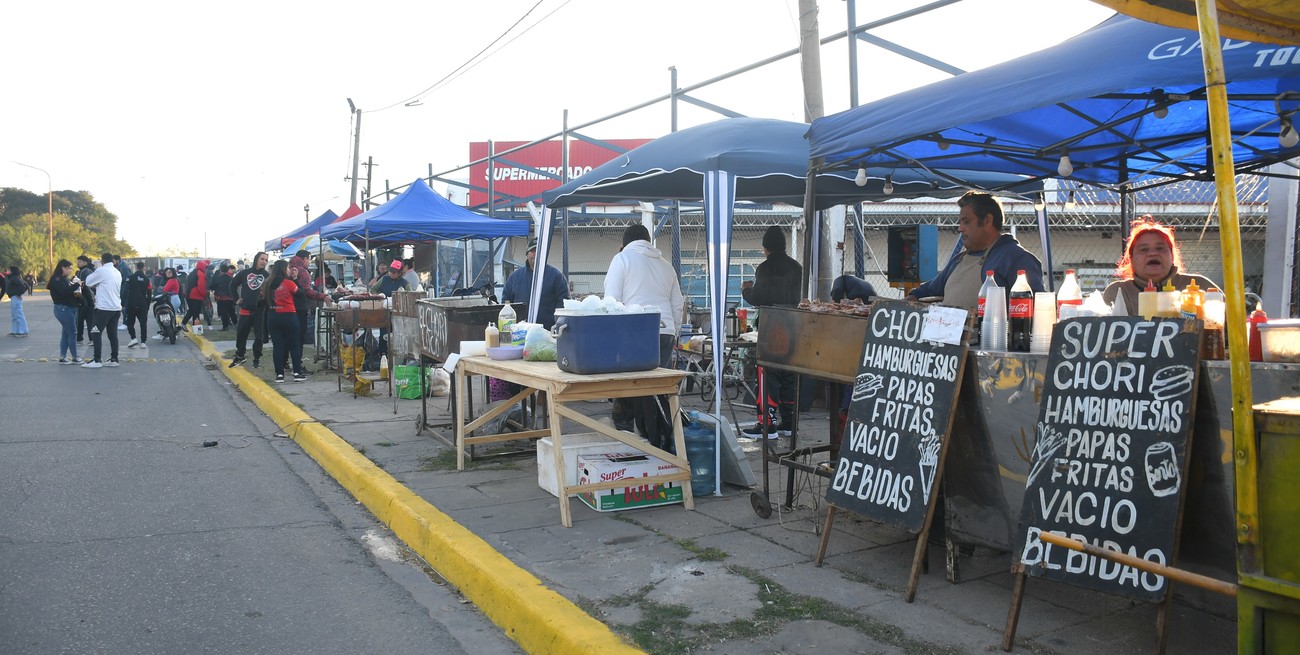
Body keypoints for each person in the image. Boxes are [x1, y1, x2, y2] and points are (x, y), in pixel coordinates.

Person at [605, 224, 686, 450]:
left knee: (628, 385)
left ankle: (626, 441)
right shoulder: (666, 265)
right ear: (648, 241)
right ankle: (663, 442)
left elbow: (611, 302)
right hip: (665, 332)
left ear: (626, 242)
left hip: (634, 332)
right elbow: (677, 304)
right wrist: (674, 330)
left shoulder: (622, 260)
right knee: (658, 389)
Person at [908, 191, 1045, 307]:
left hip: (990, 338)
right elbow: (931, 289)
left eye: (966, 221)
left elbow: (1036, 311)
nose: (960, 228)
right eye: (960, 222)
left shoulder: (1017, 259)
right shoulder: (958, 260)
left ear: (987, 221)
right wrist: (912, 297)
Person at [740, 226, 803, 438]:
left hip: (772, 327)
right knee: (788, 375)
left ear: (766, 248)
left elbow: (759, 298)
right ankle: (789, 422)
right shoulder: (797, 267)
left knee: (768, 374)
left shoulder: (765, 268)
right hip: (794, 325)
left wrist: (746, 290)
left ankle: (767, 424)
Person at [1102, 216, 1218, 313]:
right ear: (1131, 259)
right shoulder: (1118, 292)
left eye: (1160, 248)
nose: (1152, 253)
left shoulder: (1202, 286)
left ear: (1172, 256)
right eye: (1144, 249)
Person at [501, 240, 569, 329]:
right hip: (520, 333)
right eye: (533, 251)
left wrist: (555, 323)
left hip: (547, 332)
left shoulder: (556, 276)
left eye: (539, 250)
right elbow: (506, 302)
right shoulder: (514, 277)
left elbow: (564, 302)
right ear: (527, 253)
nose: (536, 253)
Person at [263, 259, 307, 383]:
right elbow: (301, 294)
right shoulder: (289, 283)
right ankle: (297, 372)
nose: (289, 270)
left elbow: (261, 300)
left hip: (273, 316)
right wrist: (295, 279)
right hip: (289, 316)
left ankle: (279, 374)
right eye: (287, 268)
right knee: (294, 345)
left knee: (277, 346)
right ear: (283, 269)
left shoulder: (267, 283)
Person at [229, 252, 269, 368]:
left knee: (259, 337)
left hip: (260, 312)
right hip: (245, 310)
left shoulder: (266, 275)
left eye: (266, 260)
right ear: (257, 259)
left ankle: (256, 358)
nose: (264, 261)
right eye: (262, 259)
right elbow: (232, 285)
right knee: (241, 335)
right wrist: (236, 299)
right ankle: (240, 356)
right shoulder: (245, 273)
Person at [84, 253, 123, 368]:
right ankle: (114, 359)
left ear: (102, 261)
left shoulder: (102, 271)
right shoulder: (117, 272)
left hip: (104, 308)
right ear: (112, 261)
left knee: (95, 332)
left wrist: (96, 268)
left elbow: (88, 281)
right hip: (116, 307)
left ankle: (97, 359)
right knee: (112, 334)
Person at [289, 250, 330, 349]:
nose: (310, 262)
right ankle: (298, 361)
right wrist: (323, 296)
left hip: (286, 307)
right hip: (299, 307)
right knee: (299, 337)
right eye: (310, 259)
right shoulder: (302, 271)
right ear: (305, 259)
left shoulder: (289, 268)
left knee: (289, 337)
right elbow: (306, 291)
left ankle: (285, 362)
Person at [46, 259, 83, 363]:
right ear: (63, 267)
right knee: (72, 332)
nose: (71, 270)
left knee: (66, 333)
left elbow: (69, 290)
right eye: (69, 268)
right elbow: (64, 292)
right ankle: (75, 357)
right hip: (63, 308)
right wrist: (77, 285)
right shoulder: (57, 279)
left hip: (70, 307)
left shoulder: (65, 278)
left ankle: (63, 356)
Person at [122, 262, 152, 348]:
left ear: (135, 267)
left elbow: (125, 291)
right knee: (143, 323)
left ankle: (133, 338)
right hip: (142, 304)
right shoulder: (147, 279)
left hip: (131, 303)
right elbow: (149, 293)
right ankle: (143, 342)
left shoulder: (130, 278)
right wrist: (148, 305)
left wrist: (122, 303)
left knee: (130, 322)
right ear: (144, 268)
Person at [181, 260, 209, 329]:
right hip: (196, 296)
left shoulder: (192, 273)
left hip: (189, 295)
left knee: (191, 310)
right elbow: (201, 286)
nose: (206, 269)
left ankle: (183, 324)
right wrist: (204, 294)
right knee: (196, 312)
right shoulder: (201, 274)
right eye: (205, 267)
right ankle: (196, 328)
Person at [75, 255, 96, 342]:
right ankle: (87, 338)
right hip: (86, 299)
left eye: (80, 261)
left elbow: (86, 286)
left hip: (85, 299)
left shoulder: (85, 271)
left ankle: (81, 338)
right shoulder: (83, 271)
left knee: (83, 320)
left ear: (85, 262)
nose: (78, 263)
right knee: (87, 320)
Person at [209, 263, 235, 330]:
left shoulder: (218, 278)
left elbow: (212, 286)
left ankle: (225, 326)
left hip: (220, 297)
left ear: (220, 270)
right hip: (230, 297)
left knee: (224, 313)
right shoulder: (231, 278)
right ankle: (236, 323)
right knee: (231, 312)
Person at [6, 265, 30, 337]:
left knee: (18, 314)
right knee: (14, 315)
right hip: (13, 297)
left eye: (9, 270)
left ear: (12, 271)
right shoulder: (14, 278)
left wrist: (18, 294)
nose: (7, 271)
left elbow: (24, 286)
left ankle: (23, 331)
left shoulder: (15, 278)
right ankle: (15, 330)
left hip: (15, 297)